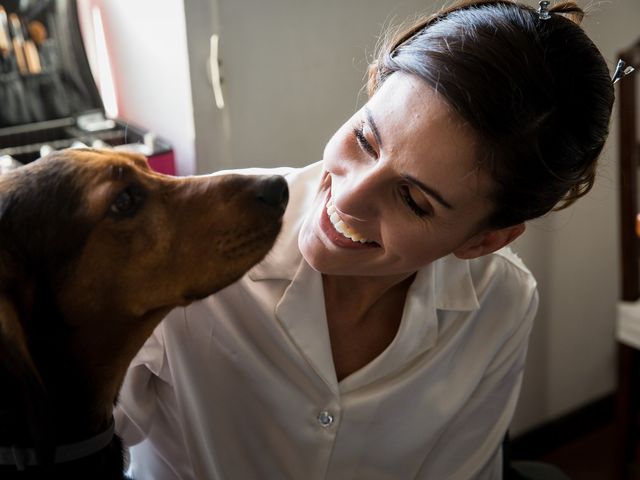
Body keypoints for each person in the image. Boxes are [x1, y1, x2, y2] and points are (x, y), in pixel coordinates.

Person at [114, 1, 615, 478]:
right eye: (365, 140)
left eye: (414, 201)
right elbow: (75, 444)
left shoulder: (502, 302)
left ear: (484, 240)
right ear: (375, 85)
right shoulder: (184, 246)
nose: (349, 198)